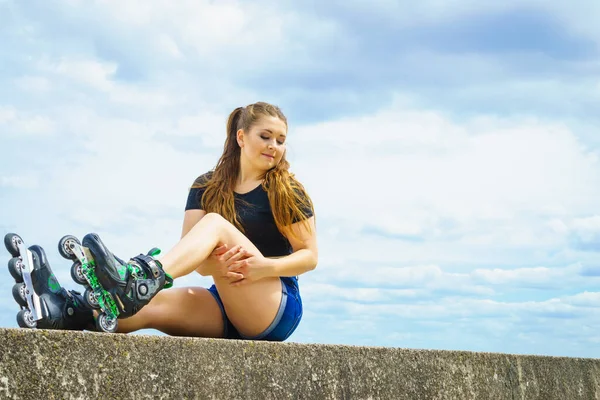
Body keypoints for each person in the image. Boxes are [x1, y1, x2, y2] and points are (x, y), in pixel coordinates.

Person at [17, 101, 317, 341]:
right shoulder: (206, 187)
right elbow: (199, 264)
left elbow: (309, 256)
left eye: (280, 140)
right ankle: (65, 308)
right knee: (145, 309)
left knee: (214, 224)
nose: (273, 146)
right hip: (225, 302)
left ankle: (140, 278)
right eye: (265, 137)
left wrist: (264, 266)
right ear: (241, 137)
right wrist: (221, 267)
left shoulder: (285, 189)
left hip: (274, 303)